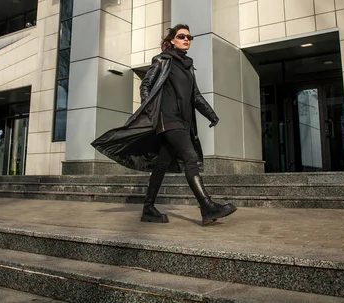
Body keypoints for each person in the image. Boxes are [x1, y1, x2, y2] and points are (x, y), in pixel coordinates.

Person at [92, 24, 236, 226]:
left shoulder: (187, 67)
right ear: (171, 41)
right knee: (190, 157)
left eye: (189, 36)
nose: (187, 39)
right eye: (182, 36)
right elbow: (146, 85)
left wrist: (211, 115)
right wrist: (150, 109)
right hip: (167, 119)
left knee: (161, 164)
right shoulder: (163, 60)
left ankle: (148, 208)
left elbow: (195, 96)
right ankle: (207, 206)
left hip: (182, 122)